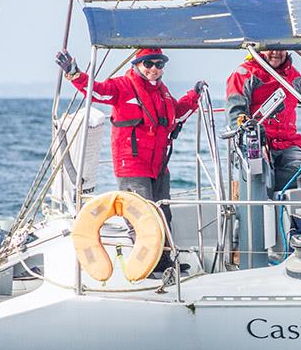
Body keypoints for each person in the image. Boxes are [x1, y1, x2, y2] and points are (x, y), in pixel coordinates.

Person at [55, 47, 205, 271]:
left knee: (163, 213)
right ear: (137, 65)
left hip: (159, 165)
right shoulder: (122, 86)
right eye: (148, 64)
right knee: (142, 216)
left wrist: (194, 95)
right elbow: (98, 91)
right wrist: (75, 73)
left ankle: (164, 262)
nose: (154, 69)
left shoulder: (162, 92)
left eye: (159, 64)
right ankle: (147, 265)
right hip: (132, 164)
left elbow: (177, 112)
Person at [225, 50, 301, 193]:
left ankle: (267, 182)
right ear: (258, 48)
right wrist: (255, 140)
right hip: (254, 144)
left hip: (288, 145)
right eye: (270, 47)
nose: (276, 52)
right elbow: (235, 114)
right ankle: (260, 182)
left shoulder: (292, 74)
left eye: (280, 48)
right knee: (258, 173)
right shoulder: (243, 74)